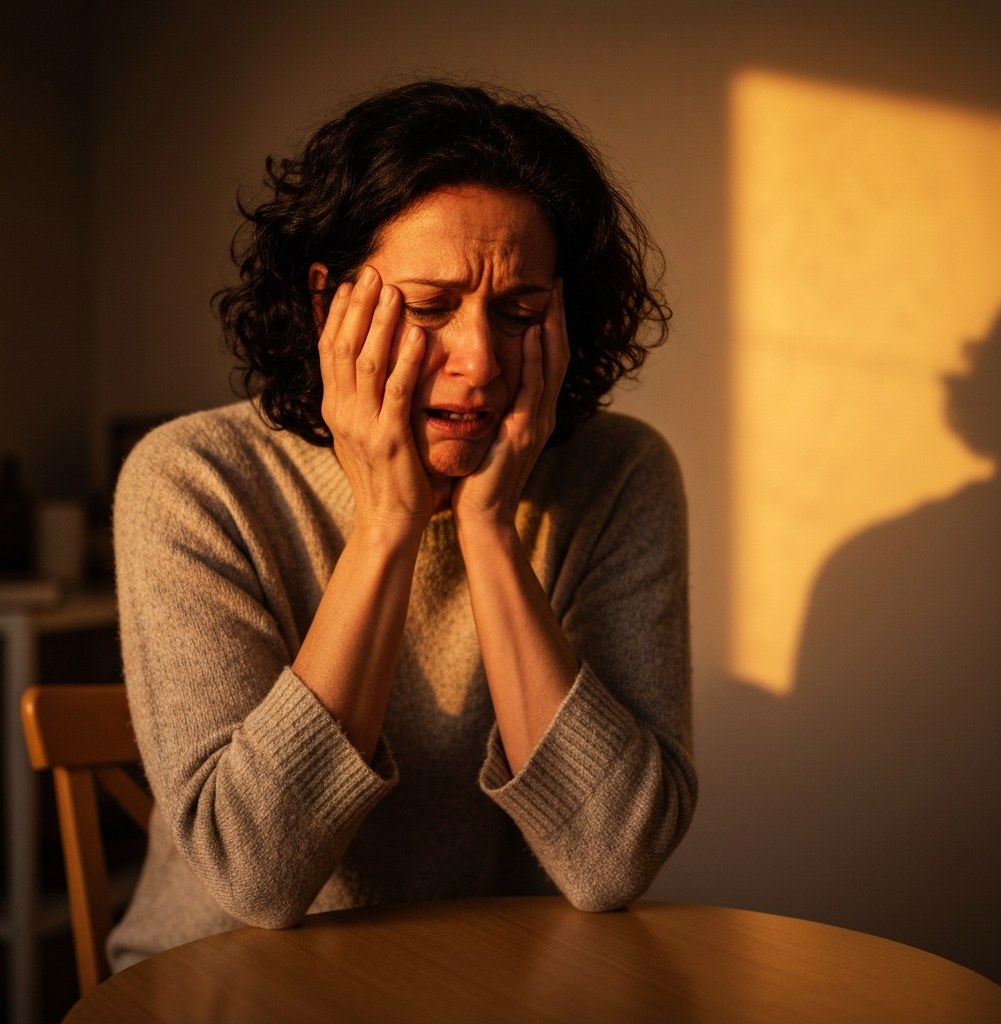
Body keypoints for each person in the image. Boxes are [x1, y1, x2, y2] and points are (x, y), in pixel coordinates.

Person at [107, 80, 697, 971]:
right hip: (221, 987)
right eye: (429, 308)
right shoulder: (195, 480)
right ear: (324, 305)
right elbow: (257, 877)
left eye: (520, 312)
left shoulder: (620, 475)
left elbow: (612, 861)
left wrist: (489, 529)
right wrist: (387, 520)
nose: (481, 362)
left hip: (495, 990)